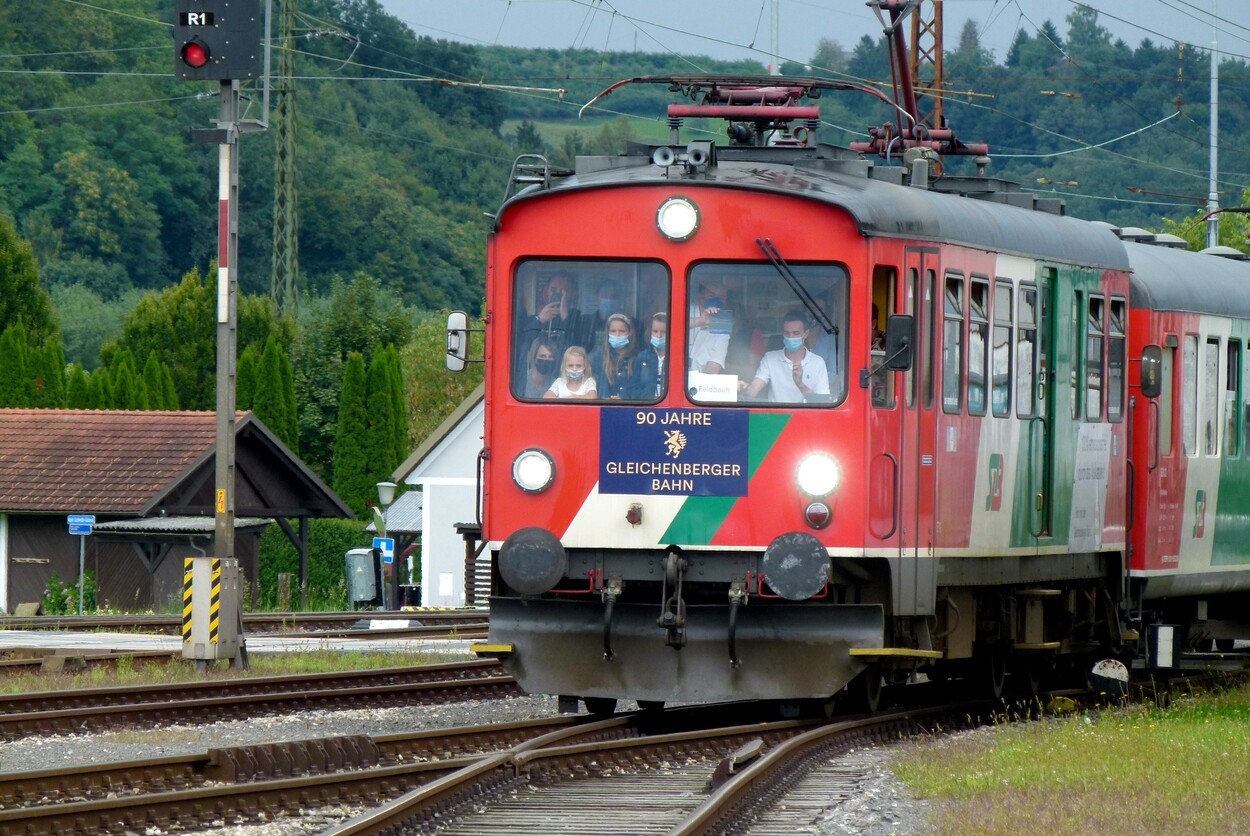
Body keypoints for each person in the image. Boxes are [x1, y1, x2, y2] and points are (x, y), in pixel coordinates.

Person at [741, 309, 831, 403]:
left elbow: (822, 402)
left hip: (805, 416)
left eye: (796, 333)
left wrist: (800, 384)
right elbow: (756, 386)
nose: (791, 337)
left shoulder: (817, 362)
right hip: (775, 416)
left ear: (806, 334)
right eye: (787, 333)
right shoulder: (770, 358)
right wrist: (743, 388)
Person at [516, 271, 581, 379]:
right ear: (546, 293)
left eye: (564, 291)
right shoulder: (534, 320)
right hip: (538, 376)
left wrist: (566, 318)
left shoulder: (578, 320)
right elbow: (523, 345)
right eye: (553, 290)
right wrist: (539, 319)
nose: (558, 294)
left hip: (568, 375)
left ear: (572, 294)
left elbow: (578, 347)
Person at [590, 312, 642, 399]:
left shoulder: (638, 358)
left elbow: (641, 388)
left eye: (622, 331)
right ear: (608, 333)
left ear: (630, 333)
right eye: (613, 331)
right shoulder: (598, 356)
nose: (617, 335)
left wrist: (624, 398)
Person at [688, 277, 730, 374]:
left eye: (722, 298)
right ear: (700, 296)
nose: (717, 300)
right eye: (712, 295)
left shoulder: (722, 328)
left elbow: (714, 367)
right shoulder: (683, 309)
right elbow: (666, 328)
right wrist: (700, 321)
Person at [635, 312, 667, 398]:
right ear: (650, 332)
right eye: (655, 331)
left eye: (663, 332)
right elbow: (634, 387)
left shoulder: (677, 358)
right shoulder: (642, 357)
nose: (659, 335)